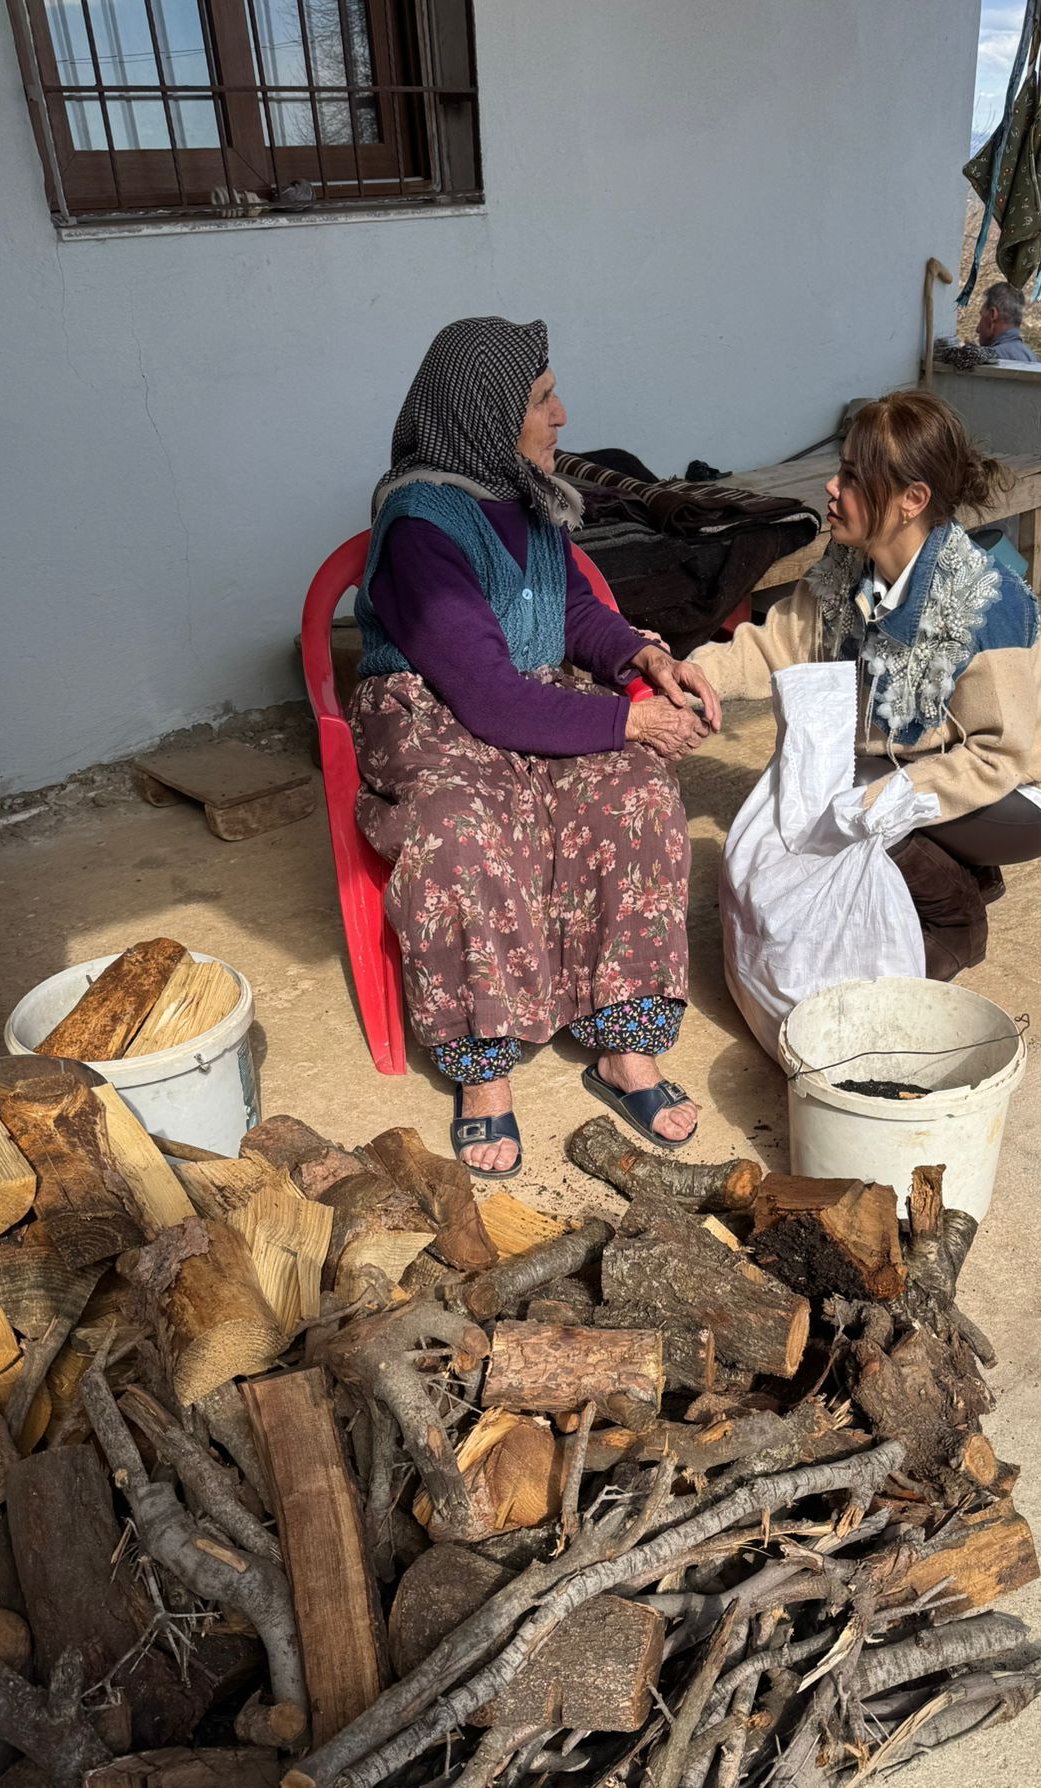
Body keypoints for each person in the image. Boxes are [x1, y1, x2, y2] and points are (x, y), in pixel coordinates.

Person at [349, 316, 721, 1177]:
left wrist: (643, 657)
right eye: (542, 399)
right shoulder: (420, 526)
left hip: (523, 695)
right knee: (462, 832)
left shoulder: (525, 493)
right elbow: (485, 698)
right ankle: (484, 1073)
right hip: (434, 706)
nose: (562, 415)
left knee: (635, 794)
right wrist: (631, 720)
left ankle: (624, 1044)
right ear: (486, 417)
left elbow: (569, 610)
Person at [691, 389, 1041, 981]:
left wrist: (874, 804)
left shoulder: (986, 606)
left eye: (852, 476)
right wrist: (691, 678)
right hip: (935, 764)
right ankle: (963, 871)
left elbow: (998, 757)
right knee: (827, 787)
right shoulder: (849, 569)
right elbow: (775, 647)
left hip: (1023, 796)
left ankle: (956, 922)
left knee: (855, 805)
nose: (832, 487)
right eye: (841, 469)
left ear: (911, 500)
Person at [976, 280, 1038, 363]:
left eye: (982, 316)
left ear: (992, 315)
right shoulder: (1032, 358)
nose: (977, 329)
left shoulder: (991, 360)